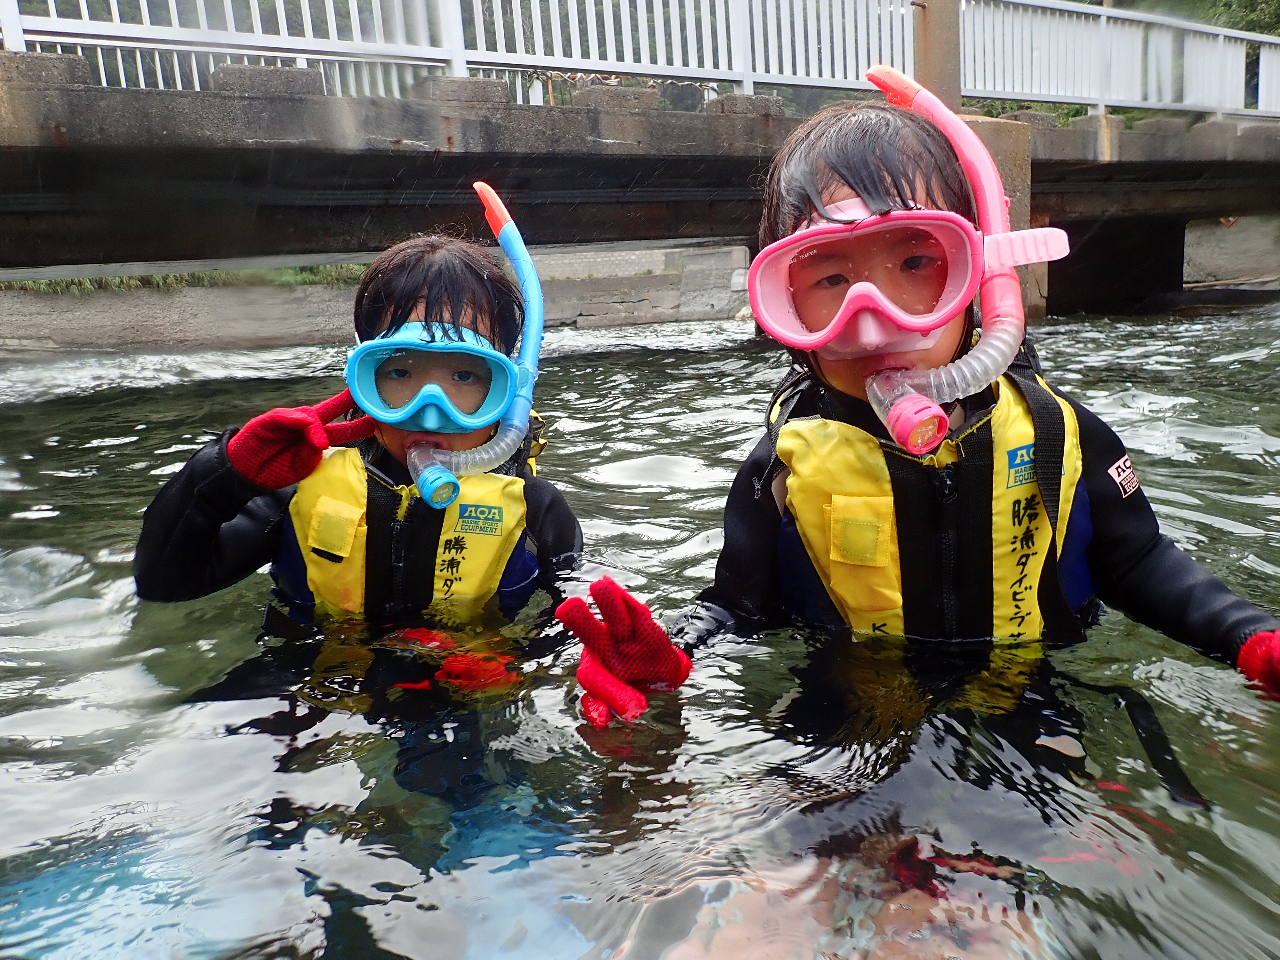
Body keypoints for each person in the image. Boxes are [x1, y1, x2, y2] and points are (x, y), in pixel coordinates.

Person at [555, 67, 1280, 727]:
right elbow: (739, 606)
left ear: (984, 278)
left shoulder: (1061, 434)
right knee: (787, 869)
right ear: (787, 312)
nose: (875, 320)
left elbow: (1143, 564)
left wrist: (1249, 640)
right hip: (844, 711)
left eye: (916, 262)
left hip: (1030, 701)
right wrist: (674, 655)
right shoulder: (780, 466)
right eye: (830, 282)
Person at [134, 183, 581, 631]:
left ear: (508, 389)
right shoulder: (301, 486)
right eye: (399, 373)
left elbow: (578, 623)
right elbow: (164, 584)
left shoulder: (535, 512)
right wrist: (224, 474)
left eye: (465, 376)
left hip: (468, 688)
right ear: (361, 381)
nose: (430, 410)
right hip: (312, 682)